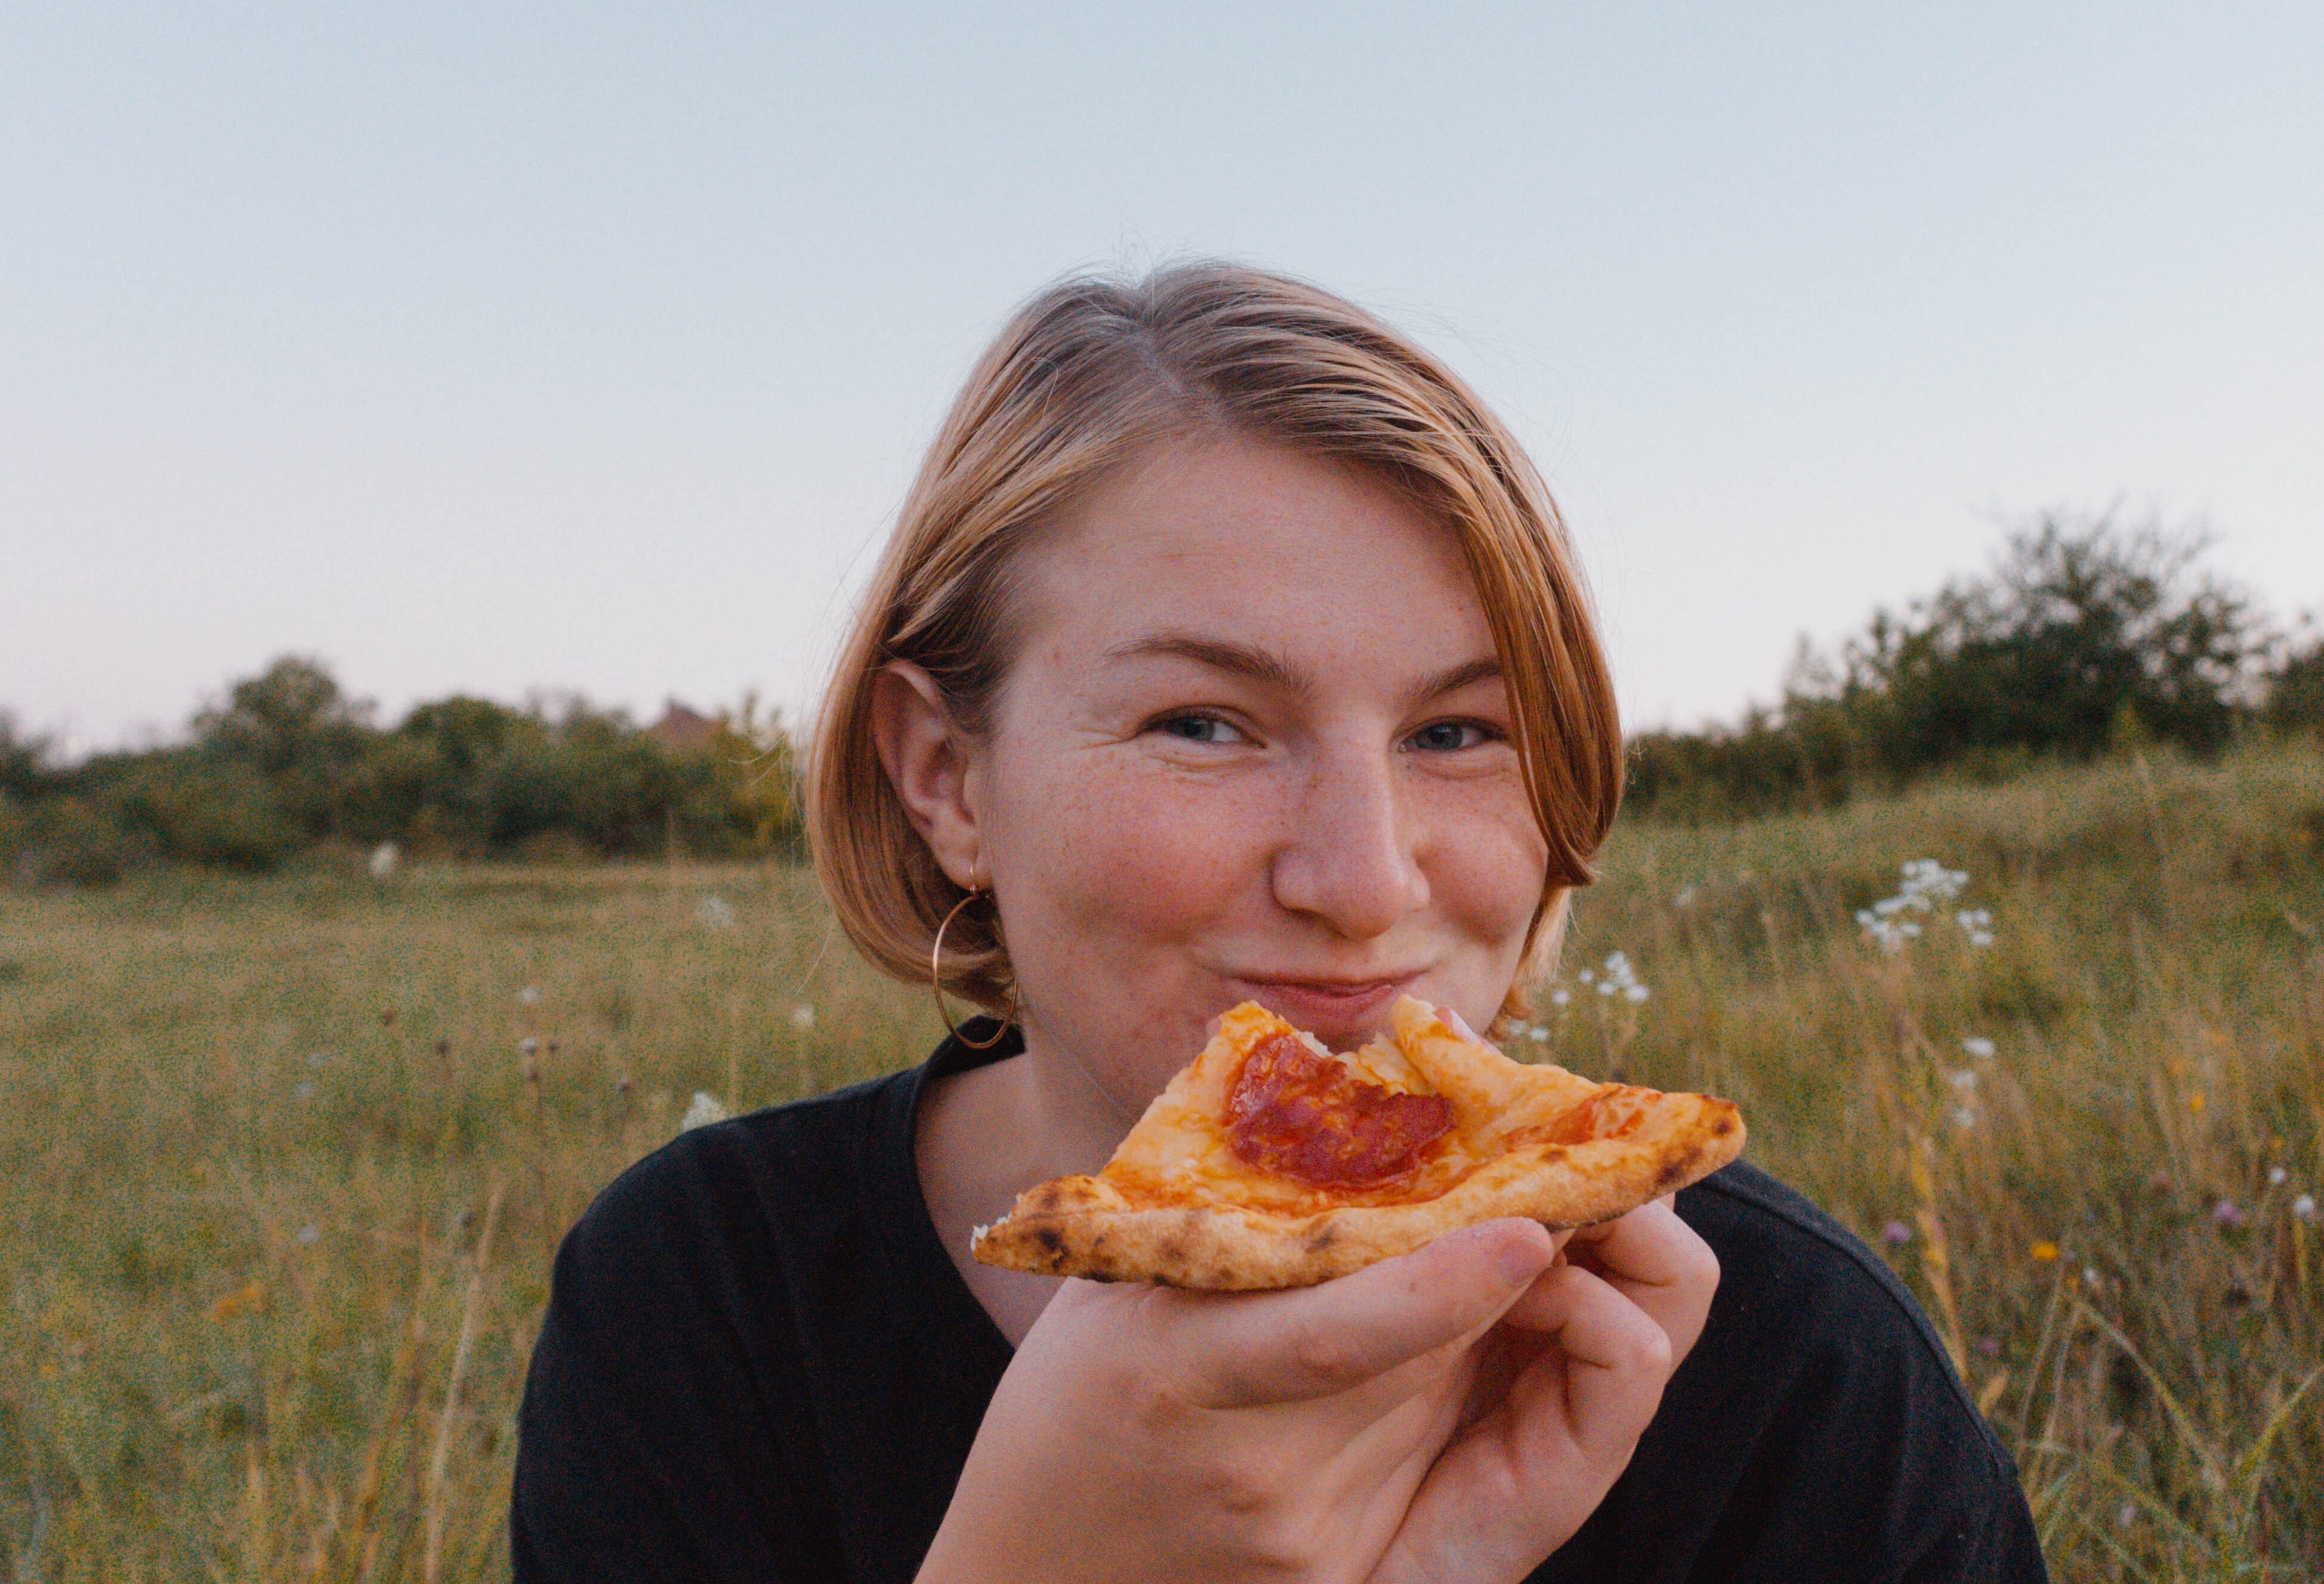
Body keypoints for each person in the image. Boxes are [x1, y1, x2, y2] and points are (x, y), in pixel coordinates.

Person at [511, 263, 2046, 1582]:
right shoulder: (700, 1293)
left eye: (1457, 733)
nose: (1367, 881)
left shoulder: (1782, 1361)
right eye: (1203, 722)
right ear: (945, 776)